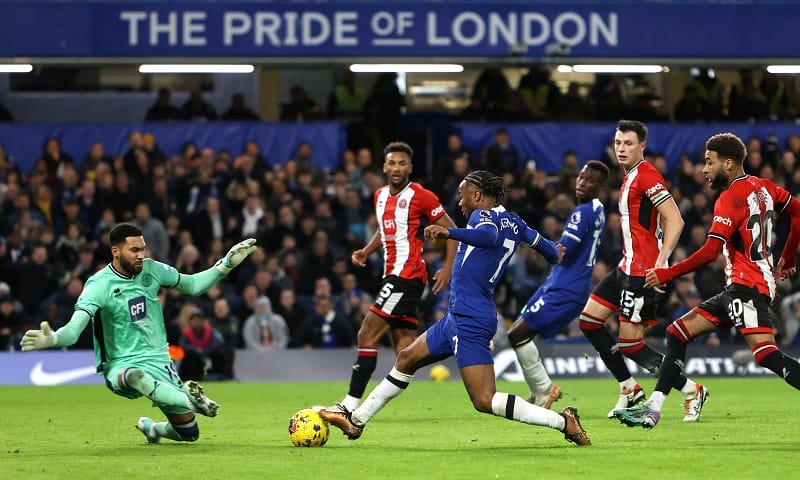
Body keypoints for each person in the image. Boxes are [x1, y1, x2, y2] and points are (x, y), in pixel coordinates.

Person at [319, 170, 590, 447]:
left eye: (462, 196)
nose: (459, 203)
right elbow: (550, 252)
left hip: (470, 319)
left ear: (477, 195)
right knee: (406, 358)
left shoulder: (482, 217)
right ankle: (357, 420)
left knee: (484, 400)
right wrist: (557, 250)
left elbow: (487, 236)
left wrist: (448, 232)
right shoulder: (517, 223)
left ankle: (562, 422)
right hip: (457, 317)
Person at [614, 132, 800, 428]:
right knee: (677, 332)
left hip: (748, 287)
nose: (704, 169)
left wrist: (667, 272)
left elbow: (710, 251)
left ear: (728, 164)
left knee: (766, 354)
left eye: (709, 162)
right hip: (741, 287)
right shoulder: (765, 188)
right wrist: (788, 258)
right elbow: (798, 211)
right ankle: (654, 407)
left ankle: (654, 407)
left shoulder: (729, 198)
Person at [19, 223, 257, 444]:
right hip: (121, 365)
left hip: (159, 360)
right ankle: (191, 400)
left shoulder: (152, 270)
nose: (141, 255)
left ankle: (154, 428)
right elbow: (73, 331)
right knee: (135, 376)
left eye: (142, 249)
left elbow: (193, 285)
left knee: (189, 434)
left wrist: (226, 264)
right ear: (115, 251)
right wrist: (53, 338)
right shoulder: (99, 285)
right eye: (134, 250)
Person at [577, 120, 707, 420]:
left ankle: (690, 389)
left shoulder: (646, 175)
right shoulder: (630, 177)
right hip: (625, 266)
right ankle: (628, 388)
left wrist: (661, 262)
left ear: (642, 146)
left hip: (641, 272)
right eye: (618, 143)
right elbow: (654, 222)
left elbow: (675, 219)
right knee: (589, 322)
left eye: (628, 144)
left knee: (630, 344)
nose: (621, 149)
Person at [329, 141, 458, 412]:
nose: (397, 168)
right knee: (406, 352)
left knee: (366, 333)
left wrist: (447, 268)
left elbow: (452, 229)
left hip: (406, 275)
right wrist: (366, 250)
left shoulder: (421, 195)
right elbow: (385, 230)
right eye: (392, 163)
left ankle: (349, 405)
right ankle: (456, 342)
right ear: (384, 166)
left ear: (410, 167)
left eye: (402, 163)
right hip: (395, 275)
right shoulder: (379, 195)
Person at [507, 160, 609, 409]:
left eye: (590, 180)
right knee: (522, 333)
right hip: (564, 285)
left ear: (601, 187)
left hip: (565, 288)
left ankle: (544, 389)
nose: (583, 183)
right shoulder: (598, 209)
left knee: (517, 333)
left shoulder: (582, 212)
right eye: (581, 178)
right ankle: (539, 390)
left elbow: (560, 253)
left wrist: (528, 237)